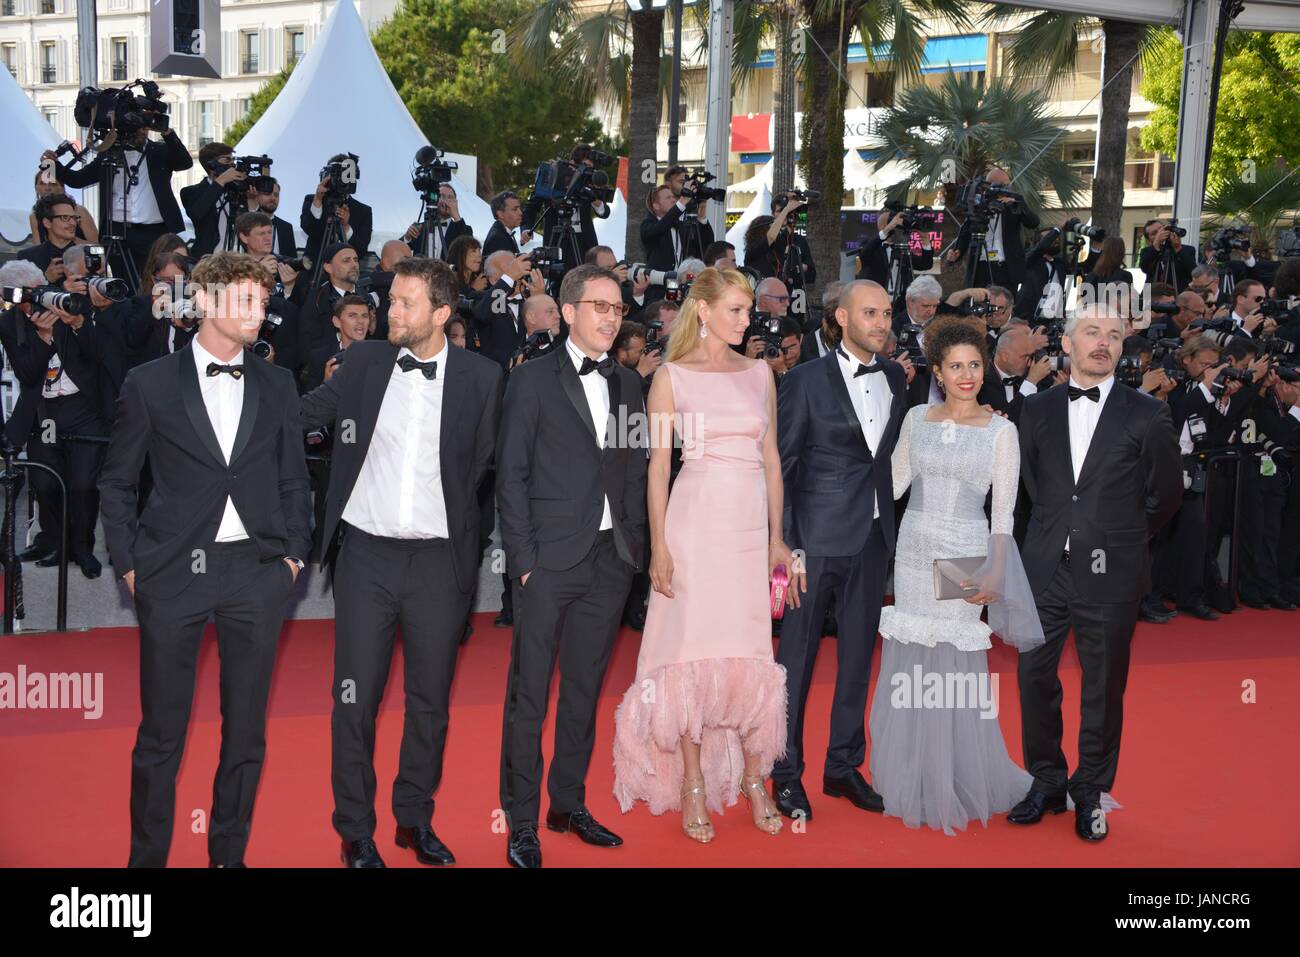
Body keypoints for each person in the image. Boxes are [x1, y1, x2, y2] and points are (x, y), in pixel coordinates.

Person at [98, 251, 311, 867]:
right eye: (245, 300)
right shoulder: (151, 383)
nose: (258, 312)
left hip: (256, 573)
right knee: (160, 735)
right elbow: (117, 484)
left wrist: (292, 560)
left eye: (263, 301)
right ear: (207, 305)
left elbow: (296, 480)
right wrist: (131, 565)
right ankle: (146, 864)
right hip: (170, 573)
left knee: (246, 732)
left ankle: (227, 856)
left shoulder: (277, 381)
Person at [299, 257, 502, 868]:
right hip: (366, 558)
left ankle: (414, 818)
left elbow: (491, 470)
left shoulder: (482, 377)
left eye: (405, 304)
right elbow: (304, 416)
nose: (391, 312)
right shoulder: (362, 361)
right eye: (391, 300)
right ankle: (355, 831)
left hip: (441, 565)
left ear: (441, 313)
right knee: (354, 699)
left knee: (430, 703)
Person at [612, 267, 791, 843]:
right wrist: (659, 546)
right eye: (735, 311)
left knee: (747, 653)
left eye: (748, 311)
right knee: (691, 656)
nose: (746, 321)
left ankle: (755, 777)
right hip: (694, 525)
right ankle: (692, 782)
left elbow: (771, 460)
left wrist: (776, 538)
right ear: (705, 312)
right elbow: (658, 466)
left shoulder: (761, 373)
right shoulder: (673, 377)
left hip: (746, 531)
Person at [496, 264, 648, 868]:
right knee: (528, 696)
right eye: (600, 307)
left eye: (617, 308)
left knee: (584, 691)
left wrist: (634, 549)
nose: (612, 317)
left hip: (610, 563)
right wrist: (525, 561)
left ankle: (568, 803)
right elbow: (511, 474)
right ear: (567, 312)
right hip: (549, 562)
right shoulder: (531, 380)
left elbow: (634, 469)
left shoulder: (630, 385)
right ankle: (522, 822)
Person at [1011, 304, 1182, 841]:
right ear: (1067, 344)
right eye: (1091, 333)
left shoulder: (1146, 413)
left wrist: (1117, 537)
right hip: (1045, 570)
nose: (1103, 343)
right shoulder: (1034, 412)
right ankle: (1046, 780)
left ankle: (1090, 792)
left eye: (1114, 335)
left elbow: (1167, 496)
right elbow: (1033, 488)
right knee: (1034, 678)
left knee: (1103, 688)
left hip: (1111, 571)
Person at [871, 316, 1045, 835]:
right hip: (914, 549)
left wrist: (995, 568)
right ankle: (916, 775)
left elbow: (1004, 512)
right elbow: (895, 484)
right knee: (914, 660)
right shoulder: (915, 418)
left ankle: (955, 776)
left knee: (955, 666)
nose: (966, 375)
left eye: (974, 365)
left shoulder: (1001, 430)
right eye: (955, 366)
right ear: (938, 372)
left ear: (984, 368)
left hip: (967, 551)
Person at [769, 280, 909, 821]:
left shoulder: (895, 375)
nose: (881, 322)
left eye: (886, 312)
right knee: (796, 663)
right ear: (842, 319)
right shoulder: (803, 381)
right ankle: (784, 771)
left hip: (874, 537)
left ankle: (843, 766)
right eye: (870, 313)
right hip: (813, 542)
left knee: (856, 659)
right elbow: (779, 466)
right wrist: (782, 544)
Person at [44, 126, 192, 289]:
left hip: (156, 231)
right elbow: (77, 180)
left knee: (158, 281)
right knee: (124, 285)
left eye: (144, 128)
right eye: (136, 128)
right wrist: (51, 165)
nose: (141, 131)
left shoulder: (159, 150)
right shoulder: (108, 154)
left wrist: (167, 132)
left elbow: (185, 162)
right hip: (117, 231)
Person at [945, 168, 1039, 291]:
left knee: (1008, 305)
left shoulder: (1015, 203)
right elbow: (966, 232)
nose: (1006, 188)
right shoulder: (977, 204)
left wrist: (1017, 205)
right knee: (981, 303)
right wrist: (957, 252)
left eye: (1008, 185)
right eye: (1002, 185)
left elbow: (1033, 223)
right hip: (982, 267)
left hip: (1008, 267)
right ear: (989, 186)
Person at [301, 153, 373, 265]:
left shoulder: (363, 211)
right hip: (314, 272)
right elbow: (309, 228)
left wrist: (346, 228)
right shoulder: (312, 200)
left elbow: (361, 251)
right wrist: (318, 201)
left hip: (345, 276)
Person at [30, 166, 97, 247]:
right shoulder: (35, 216)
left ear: (61, 187)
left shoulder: (79, 211)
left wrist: (68, 238)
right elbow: (37, 248)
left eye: (52, 184)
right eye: (42, 183)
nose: (47, 188)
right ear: (36, 188)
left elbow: (96, 246)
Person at [407, 183, 473, 262]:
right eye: (442, 196)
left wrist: (456, 216)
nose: (445, 201)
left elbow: (470, 249)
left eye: (450, 197)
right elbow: (398, 249)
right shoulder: (419, 228)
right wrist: (407, 237)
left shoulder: (463, 228)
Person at [483, 190, 531, 258]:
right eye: (515, 209)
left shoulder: (502, 233)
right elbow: (507, 267)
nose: (520, 213)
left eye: (519, 208)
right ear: (500, 214)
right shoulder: (497, 239)